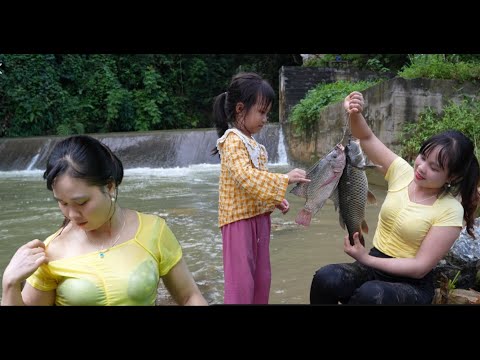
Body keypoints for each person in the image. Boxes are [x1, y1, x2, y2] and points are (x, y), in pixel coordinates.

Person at [310, 91, 480, 305]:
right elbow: (366, 137)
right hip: (374, 263)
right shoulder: (402, 172)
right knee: (326, 278)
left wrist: (365, 258)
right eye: (423, 157)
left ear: (452, 176)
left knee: (371, 295)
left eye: (434, 167)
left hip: (411, 284)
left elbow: (419, 268)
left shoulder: (450, 210)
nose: (422, 168)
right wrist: (355, 111)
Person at [1, 135, 208, 306]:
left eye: (81, 202)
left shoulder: (153, 230)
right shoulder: (50, 252)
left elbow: (189, 296)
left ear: (109, 187)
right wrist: (10, 283)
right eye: (62, 203)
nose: (71, 214)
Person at [212, 72, 310, 304]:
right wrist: (284, 179)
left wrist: (274, 199)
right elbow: (245, 178)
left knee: (261, 279)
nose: (266, 118)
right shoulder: (232, 141)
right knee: (241, 283)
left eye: (267, 113)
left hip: (259, 220)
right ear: (240, 109)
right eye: (262, 112)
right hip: (238, 222)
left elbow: (257, 184)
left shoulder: (257, 146)